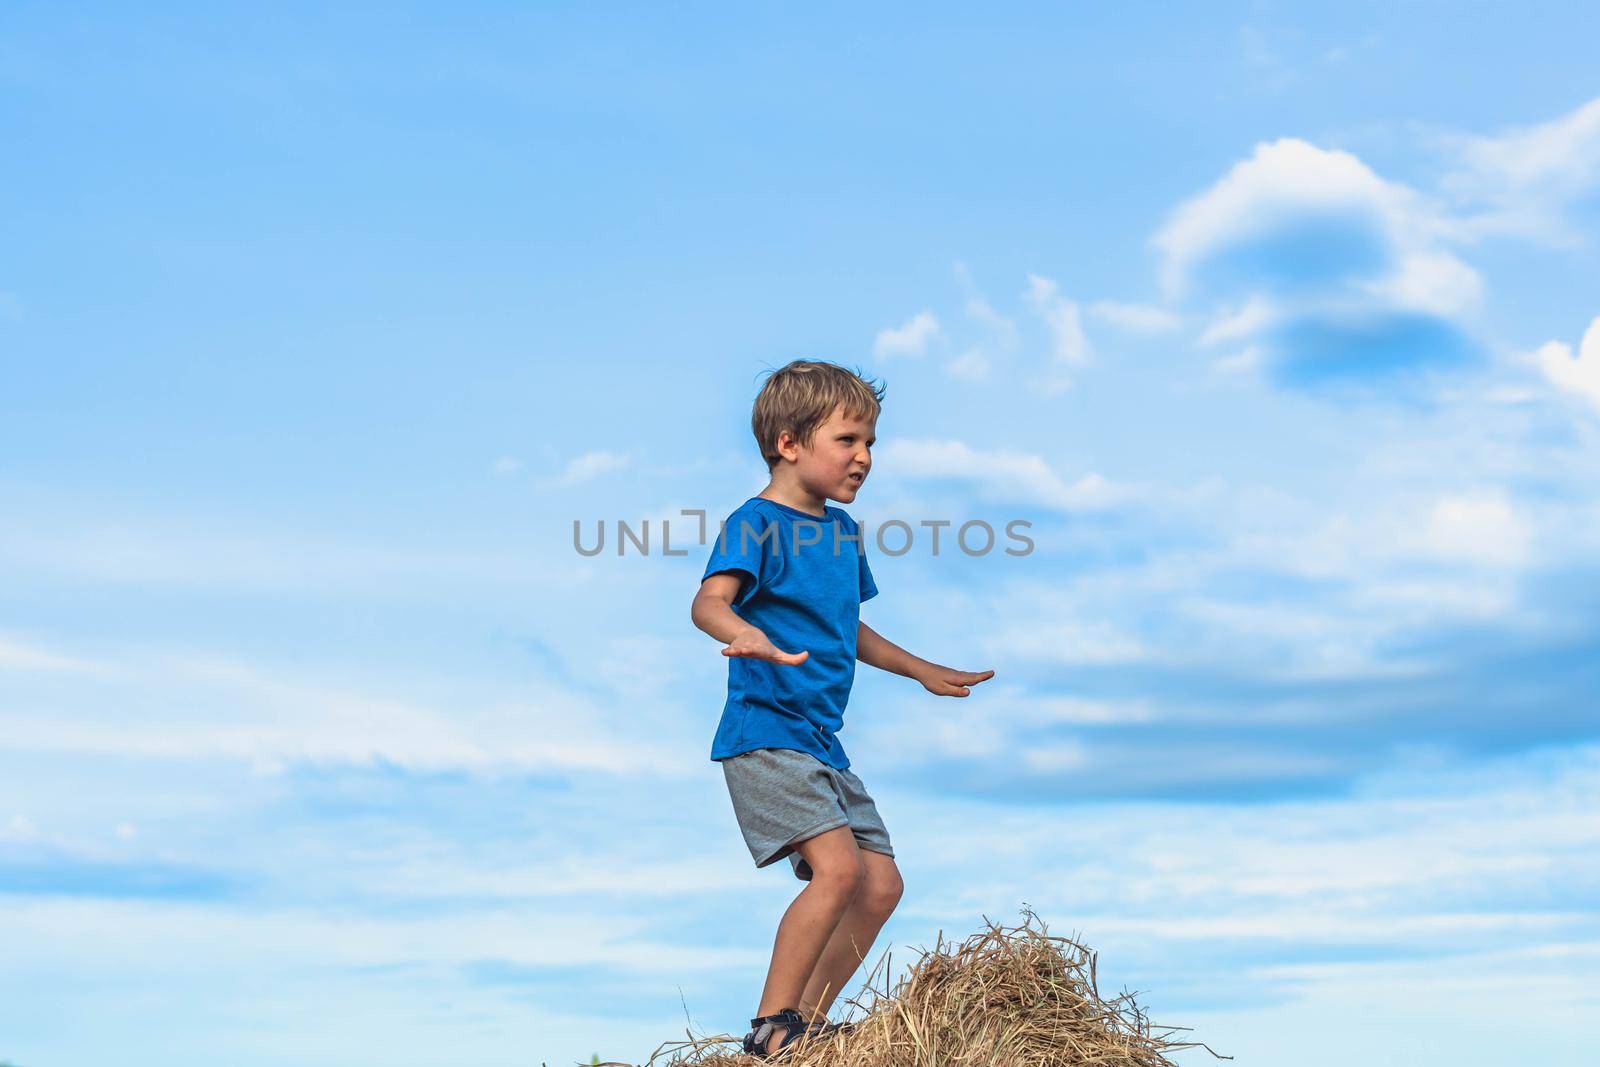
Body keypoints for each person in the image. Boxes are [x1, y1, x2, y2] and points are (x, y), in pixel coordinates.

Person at [690, 358, 995, 1058]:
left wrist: (921, 669)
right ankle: (772, 1027)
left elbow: (844, 626)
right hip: (765, 732)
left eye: (871, 445)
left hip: (821, 741)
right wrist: (746, 634)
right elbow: (709, 602)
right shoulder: (756, 522)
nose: (864, 458)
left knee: (881, 882)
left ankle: (810, 1025)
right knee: (839, 869)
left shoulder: (842, 534)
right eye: (849, 440)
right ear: (790, 442)